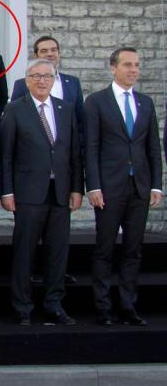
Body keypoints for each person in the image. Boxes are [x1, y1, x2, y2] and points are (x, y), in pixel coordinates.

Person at [0, 59, 83, 326]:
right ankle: (22, 306)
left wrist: (76, 188)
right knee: (24, 252)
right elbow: (6, 156)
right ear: (27, 80)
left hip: (60, 192)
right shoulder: (15, 110)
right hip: (27, 193)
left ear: (54, 80)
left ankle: (54, 304)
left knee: (57, 252)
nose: (42, 80)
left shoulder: (66, 109)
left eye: (48, 76)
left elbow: (74, 153)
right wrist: (7, 191)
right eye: (36, 76)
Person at [85, 47, 162, 326]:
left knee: (133, 249)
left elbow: (153, 147)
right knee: (105, 249)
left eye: (137, 65)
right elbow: (91, 148)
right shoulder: (96, 102)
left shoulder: (145, 102)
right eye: (128, 64)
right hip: (108, 187)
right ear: (113, 67)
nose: (134, 70)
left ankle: (128, 305)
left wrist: (156, 185)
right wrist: (92, 186)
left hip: (139, 187)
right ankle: (103, 307)